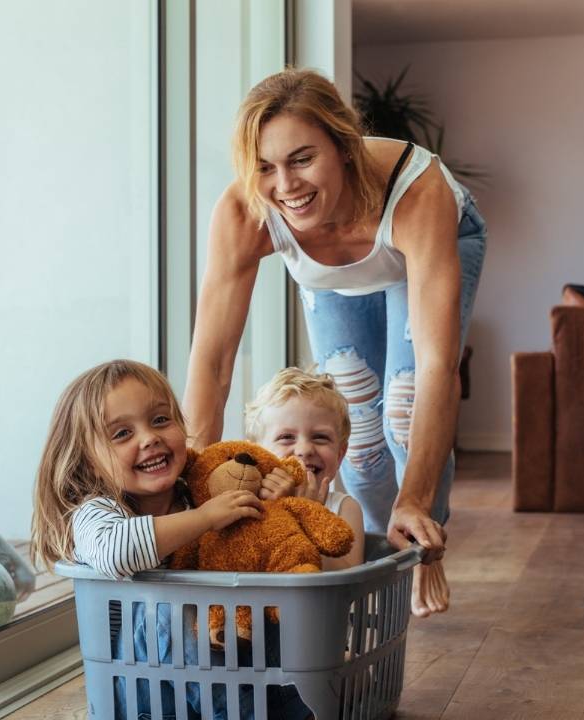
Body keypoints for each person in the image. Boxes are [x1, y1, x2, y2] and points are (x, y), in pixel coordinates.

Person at [184, 67, 488, 617]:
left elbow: (439, 364)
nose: (286, 186)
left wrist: (416, 497)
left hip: (428, 245)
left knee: (402, 404)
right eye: (265, 167)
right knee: (360, 437)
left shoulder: (417, 190)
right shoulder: (245, 210)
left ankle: (421, 540)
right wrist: (192, 484)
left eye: (302, 158)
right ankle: (375, 557)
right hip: (337, 279)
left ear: (343, 146)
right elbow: (212, 361)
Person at [31, 359, 305, 720]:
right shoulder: (96, 513)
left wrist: (279, 501)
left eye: (161, 420)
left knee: (262, 603)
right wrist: (204, 519)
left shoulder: (197, 493)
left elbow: (262, 546)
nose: (150, 438)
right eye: (122, 434)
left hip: (226, 674)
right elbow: (118, 553)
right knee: (168, 607)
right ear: (88, 462)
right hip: (142, 694)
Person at [245, 366, 366, 569]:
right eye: (286, 437)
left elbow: (348, 578)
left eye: (320, 437)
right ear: (257, 452)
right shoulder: (247, 501)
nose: (304, 450)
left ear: (340, 454)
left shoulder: (344, 508)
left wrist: (306, 515)